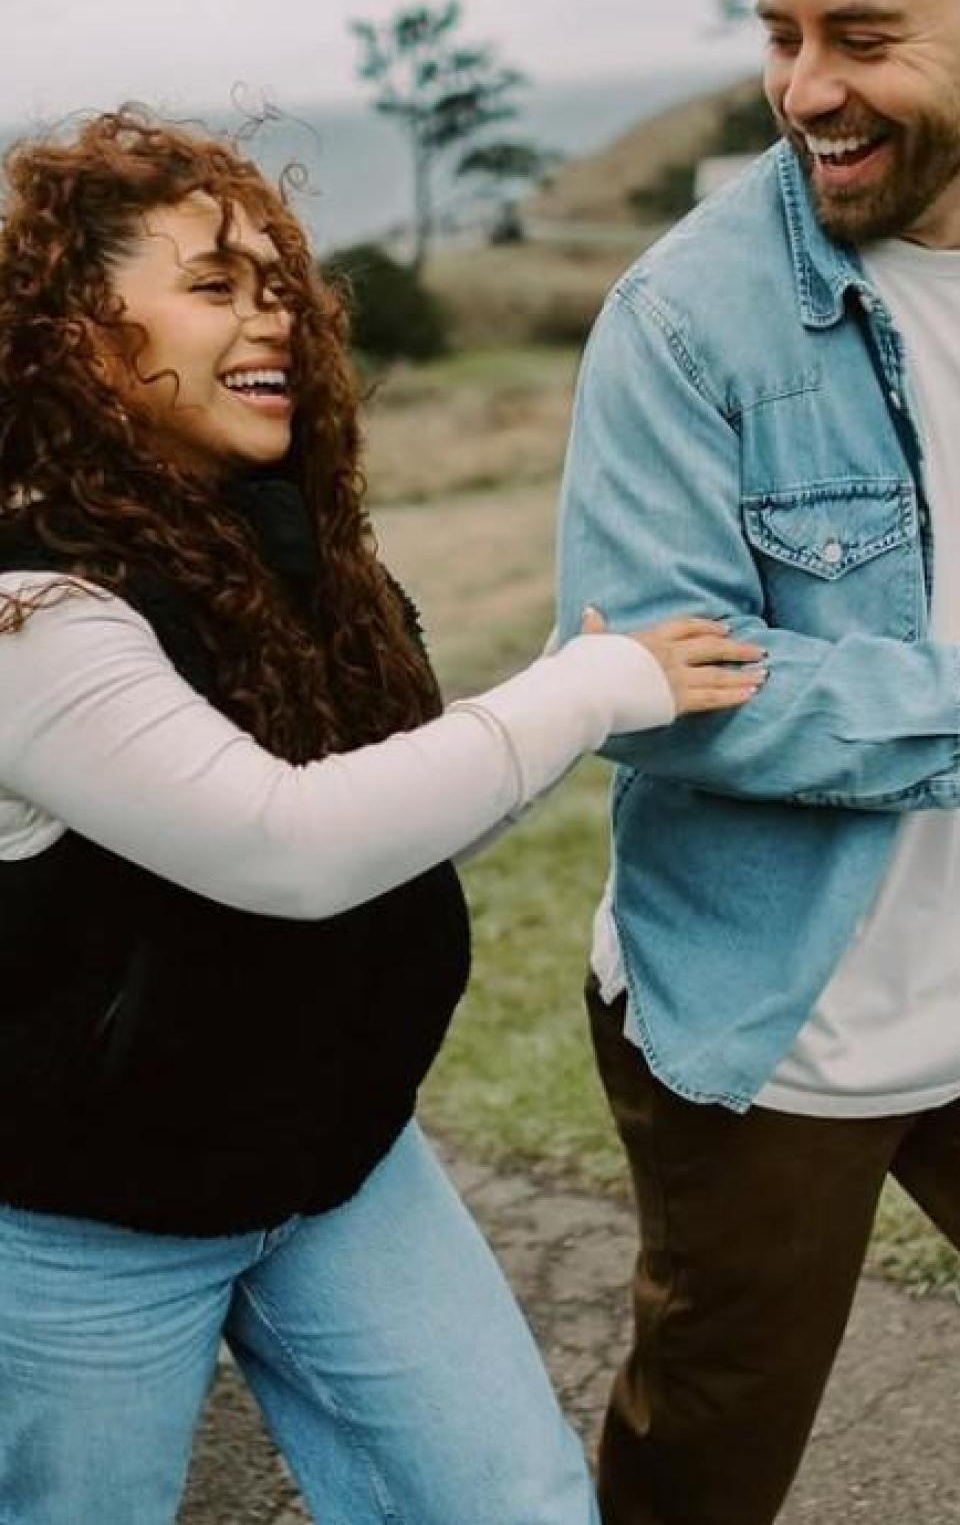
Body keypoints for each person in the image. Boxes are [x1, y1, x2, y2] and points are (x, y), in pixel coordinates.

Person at [0, 108, 765, 1525]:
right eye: (214, 284)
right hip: (79, 1223)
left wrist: (535, 713)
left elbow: (406, 803)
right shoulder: (30, 610)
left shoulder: (277, 542)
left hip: (339, 1166)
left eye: (278, 280)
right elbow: (293, 847)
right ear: (71, 327)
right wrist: (587, 686)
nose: (271, 316)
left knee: (517, 1506)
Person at [555, 0, 960, 1522]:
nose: (803, 90)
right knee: (708, 1455)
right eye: (782, 34)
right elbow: (679, 690)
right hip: (778, 1027)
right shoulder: (683, 321)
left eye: (861, 39)